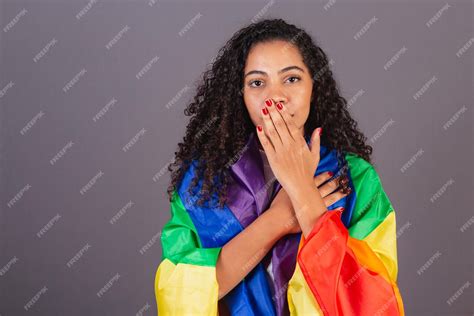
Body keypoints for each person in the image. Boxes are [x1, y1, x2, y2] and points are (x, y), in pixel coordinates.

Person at [154, 18, 405, 315]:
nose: (276, 97)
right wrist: (280, 219)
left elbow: (374, 304)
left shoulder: (356, 179)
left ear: (315, 86)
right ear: (241, 95)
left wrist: (304, 196)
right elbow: (181, 296)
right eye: (257, 83)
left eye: (292, 78)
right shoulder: (202, 183)